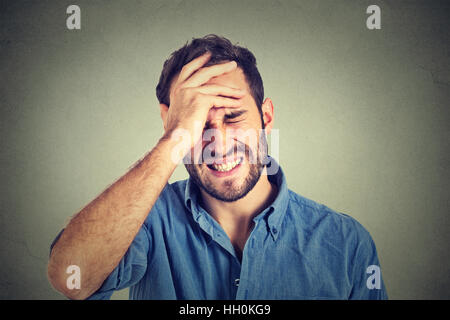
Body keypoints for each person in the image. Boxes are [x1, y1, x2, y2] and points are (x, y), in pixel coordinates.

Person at [47, 34, 388, 300]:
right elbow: (70, 277)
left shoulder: (346, 243)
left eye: (233, 115)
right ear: (170, 123)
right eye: (198, 124)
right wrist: (175, 138)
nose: (218, 143)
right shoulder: (146, 221)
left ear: (266, 117)